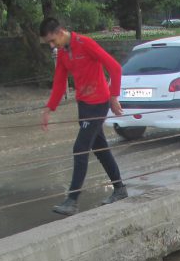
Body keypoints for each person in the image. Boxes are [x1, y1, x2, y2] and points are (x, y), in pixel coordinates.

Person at [40, 17, 128, 216]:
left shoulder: (85, 43)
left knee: (80, 148)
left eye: (52, 41)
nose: (52, 46)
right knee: (100, 148)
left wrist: (114, 97)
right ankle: (120, 189)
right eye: (49, 44)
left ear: (60, 32)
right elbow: (60, 83)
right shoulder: (63, 54)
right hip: (84, 105)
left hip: (98, 102)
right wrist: (48, 109)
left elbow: (115, 67)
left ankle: (72, 200)